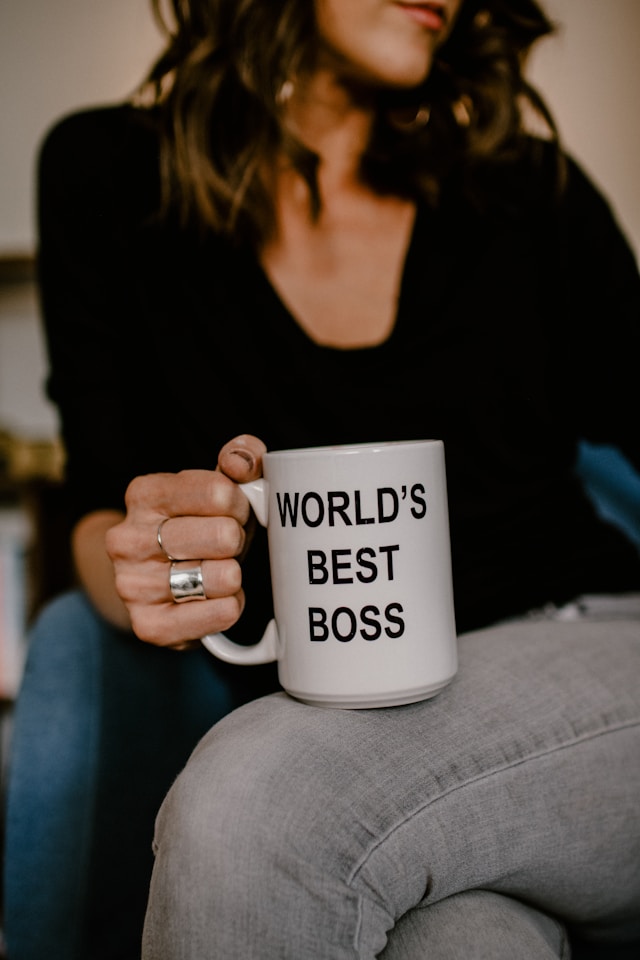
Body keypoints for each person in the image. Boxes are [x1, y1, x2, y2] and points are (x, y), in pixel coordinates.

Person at [3, 0, 640, 957]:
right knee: (460, 944)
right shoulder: (107, 176)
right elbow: (106, 503)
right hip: (374, 753)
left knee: (257, 802)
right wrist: (157, 566)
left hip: (589, 654)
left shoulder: (526, 192)